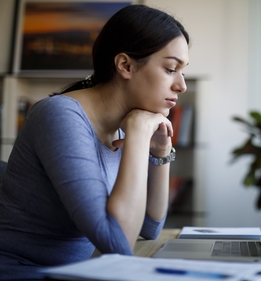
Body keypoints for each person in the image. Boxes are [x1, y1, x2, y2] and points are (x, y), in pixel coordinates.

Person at [0, 4, 189, 280]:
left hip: (71, 273)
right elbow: (118, 244)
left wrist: (160, 151)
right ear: (125, 65)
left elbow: (149, 227)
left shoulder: (122, 125)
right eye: (171, 69)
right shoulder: (60, 116)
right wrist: (137, 134)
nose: (181, 85)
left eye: (183, 71)